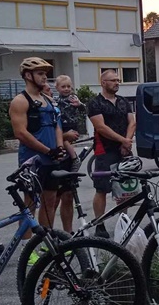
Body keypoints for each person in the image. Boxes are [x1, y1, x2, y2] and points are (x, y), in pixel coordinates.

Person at [9, 57, 66, 229]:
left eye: (45, 74)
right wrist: (48, 150)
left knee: (50, 201)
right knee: (30, 204)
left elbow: (57, 126)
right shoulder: (20, 101)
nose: (44, 77)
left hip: (51, 159)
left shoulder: (48, 100)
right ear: (28, 75)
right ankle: (27, 243)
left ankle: (47, 239)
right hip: (32, 161)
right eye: (40, 73)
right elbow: (21, 133)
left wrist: (59, 147)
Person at [87, 69, 135, 221]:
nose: (117, 83)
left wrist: (127, 142)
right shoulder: (95, 103)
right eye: (113, 80)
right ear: (103, 83)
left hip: (124, 150)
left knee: (125, 188)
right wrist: (123, 140)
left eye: (118, 80)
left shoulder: (123, 101)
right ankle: (99, 223)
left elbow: (132, 122)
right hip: (105, 151)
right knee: (102, 189)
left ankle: (124, 221)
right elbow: (101, 127)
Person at [54, 75, 85, 231]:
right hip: (56, 152)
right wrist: (65, 136)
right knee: (53, 197)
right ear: (57, 88)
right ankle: (48, 234)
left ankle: (68, 232)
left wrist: (80, 105)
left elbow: (85, 110)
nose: (66, 89)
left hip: (71, 130)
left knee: (68, 195)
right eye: (63, 87)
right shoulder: (54, 103)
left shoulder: (74, 99)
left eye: (68, 86)